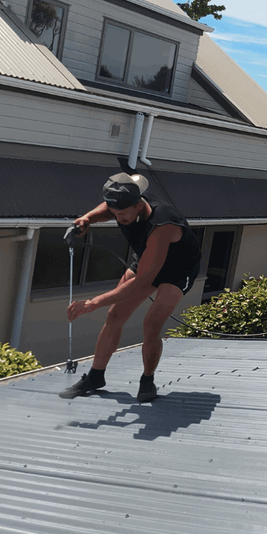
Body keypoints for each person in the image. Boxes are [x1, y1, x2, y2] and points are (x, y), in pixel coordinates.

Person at [59, 172, 201, 402]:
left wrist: (92, 303)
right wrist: (87, 219)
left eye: (123, 213)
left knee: (151, 323)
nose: (119, 218)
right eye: (115, 213)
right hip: (147, 259)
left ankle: (147, 380)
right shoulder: (124, 206)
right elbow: (108, 208)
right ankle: (96, 376)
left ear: (138, 204)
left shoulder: (162, 224)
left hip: (178, 269)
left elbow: (142, 281)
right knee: (115, 315)